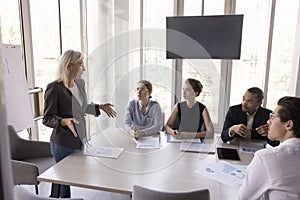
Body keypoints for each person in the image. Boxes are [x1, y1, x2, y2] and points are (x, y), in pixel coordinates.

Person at [42, 50, 116, 198]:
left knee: (66, 177)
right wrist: (63, 121)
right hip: (62, 142)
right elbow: (47, 118)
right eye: (81, 65)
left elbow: (81, 108)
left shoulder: (80, 84)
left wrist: (99, 107)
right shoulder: (54, 88)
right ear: (69, 66)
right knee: (63, 180)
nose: (84, 69)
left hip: (79, 138)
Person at [238, 96, 300, 199]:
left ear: (288, 125)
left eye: (273, 117)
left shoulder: (266, 158)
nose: (268, 122)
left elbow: (243, 198)